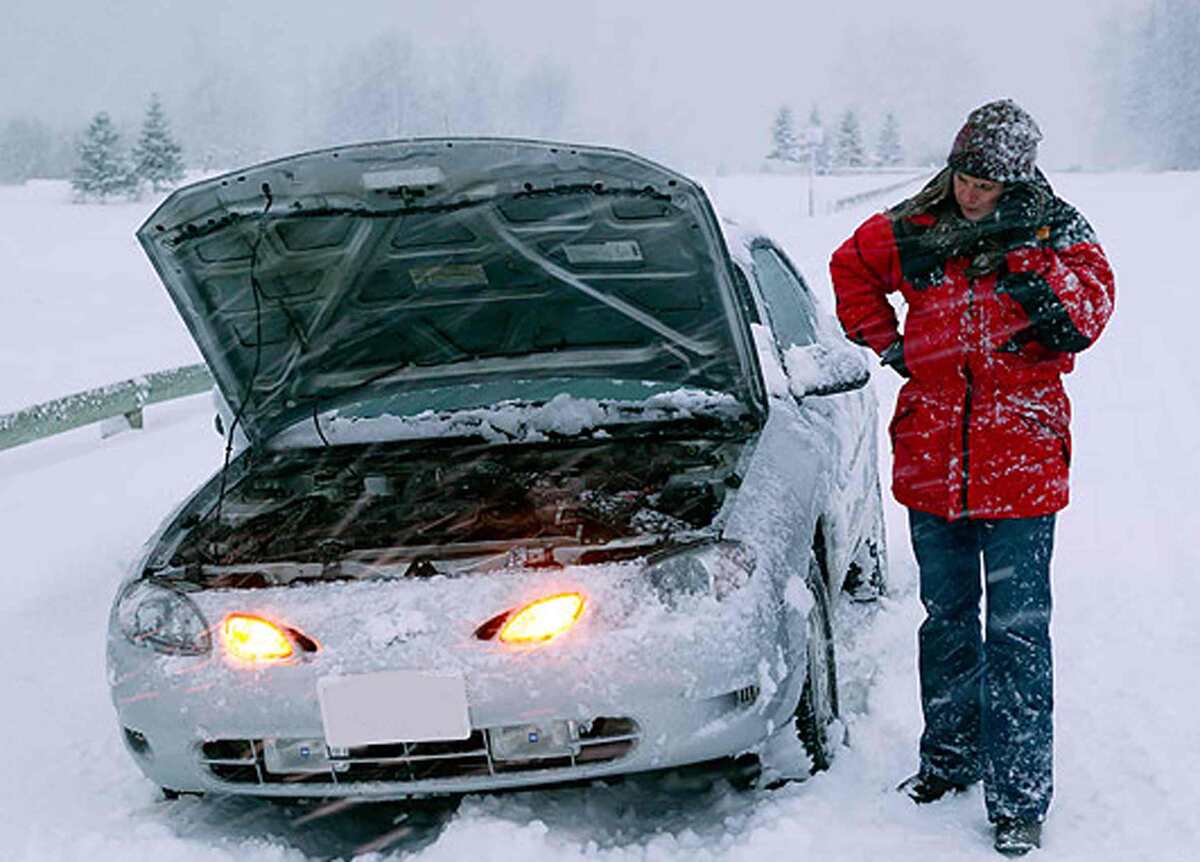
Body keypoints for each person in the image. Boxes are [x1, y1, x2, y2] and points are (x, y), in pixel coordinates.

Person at [828, 99, 1115, 857]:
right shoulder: (913, 226)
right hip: (931, 460)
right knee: (944, 619)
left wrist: (1025, 264)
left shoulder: (1058, 230)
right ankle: (948, 760)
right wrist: (886, 345)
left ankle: (1019, 797)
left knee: (1018, 633)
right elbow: (850, 267)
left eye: (988, 183)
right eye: (965, 175)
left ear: (1016, 180)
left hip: (1021, 458)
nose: (971, 193)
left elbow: (1087, 315)